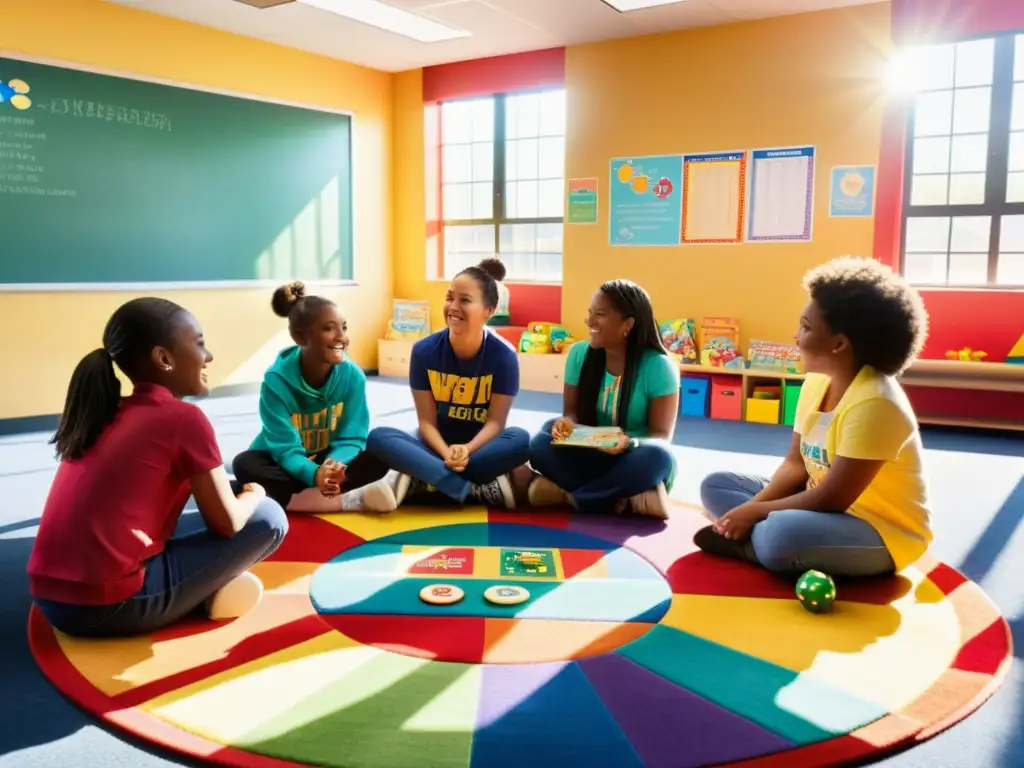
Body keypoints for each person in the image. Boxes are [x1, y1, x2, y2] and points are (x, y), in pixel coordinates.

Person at [27, 298, 288, 638]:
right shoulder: (184, 419)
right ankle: (204, 596)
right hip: (107, 606)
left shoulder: (105, 411)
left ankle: (198, 591)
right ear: (164, 359)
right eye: (199, 344)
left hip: (49, 599)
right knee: (269, 517)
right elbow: (228, 523)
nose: (208, 356)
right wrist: (256, 493)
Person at [694, 256, 932, 577]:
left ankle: (760, 544)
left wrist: (754, 513)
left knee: (782, 534)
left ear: (839, 344)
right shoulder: (816, 382)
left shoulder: (875, 403)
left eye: (805, 327)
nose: (795, 335)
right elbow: (795, 465)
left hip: (878, 530)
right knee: (717, 485)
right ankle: (757, 538)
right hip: (817, 506)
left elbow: (832, 497)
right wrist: (750, 510)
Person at [366, 258, 530, 508]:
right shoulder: (424, 351)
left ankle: (426, 480)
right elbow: (426, 423)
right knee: (378, 437)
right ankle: (470, 487)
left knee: (521, 439)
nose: (453, 307)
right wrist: (446, 453)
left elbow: (496, 423)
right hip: (435, 446)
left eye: (464, 300)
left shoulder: (504, 356)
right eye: (449, 298)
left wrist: (467, 450)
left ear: (489, 310)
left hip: (481, 448)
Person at [233, 282, 397, 513]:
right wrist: (313, 474)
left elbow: (351, 437)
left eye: (344, 327)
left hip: (327, 458)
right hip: (285, 460)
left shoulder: (353, 377)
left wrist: (331, 467)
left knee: (381, 454)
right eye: (329, 329)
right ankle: (348, 499)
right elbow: (285, 449)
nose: (342, 337)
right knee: (244, 465)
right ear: (300, 337)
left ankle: (279, 496)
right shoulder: (276, 381)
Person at [527, 279, 680, 519]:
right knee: (539, 441)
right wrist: (567, 424)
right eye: (590, 314)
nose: (589, 322)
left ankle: (570, 496)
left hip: (630, 456)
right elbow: (572, 412)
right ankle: (623, 497)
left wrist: (626, 443)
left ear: (627, 324)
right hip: (587, 450)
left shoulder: (658, 366)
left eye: (600, 314)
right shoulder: (579, 354)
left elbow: (660, 436)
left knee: (658, 457)